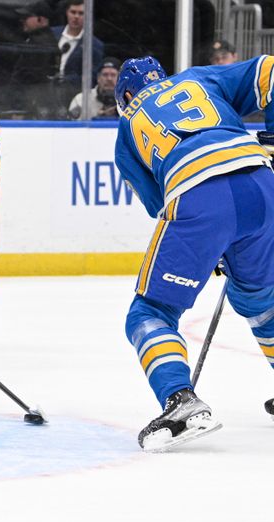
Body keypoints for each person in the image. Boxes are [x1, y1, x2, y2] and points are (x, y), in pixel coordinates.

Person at [114, 55, 274, 452]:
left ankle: (179, 399)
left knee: (150, 312)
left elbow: (163, 205)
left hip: (198, 194)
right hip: (262, 184)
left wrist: (212, 243)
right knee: (261, 299)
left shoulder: (127, 125)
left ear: (127, 95)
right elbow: (270, 68)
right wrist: (271, 139)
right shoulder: (200, 79)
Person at [5, 1, 61, 119]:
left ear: (40, 19)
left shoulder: (38, 44)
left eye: (26, 17)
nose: (22, 20)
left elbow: (31, 79)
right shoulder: (43, 40)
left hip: (31, 109)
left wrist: (20, 107)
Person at [51, 0, 104, 109]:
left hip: (74, 98)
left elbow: (92, 78)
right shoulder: (52, 33)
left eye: (81, 13)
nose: (76, 16)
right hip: (45, 92)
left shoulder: (94, 45)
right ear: (67, 12)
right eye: (73, 12)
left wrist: (67, 80)